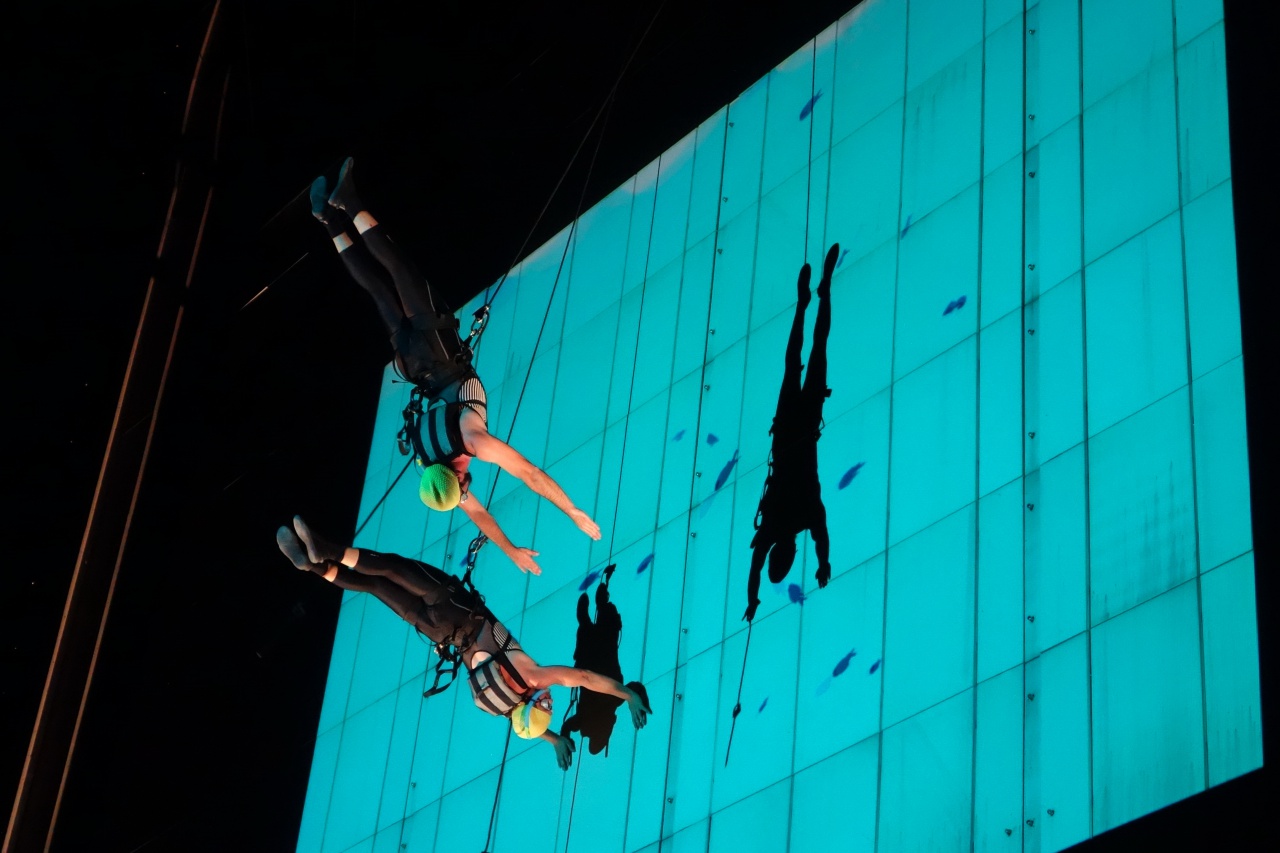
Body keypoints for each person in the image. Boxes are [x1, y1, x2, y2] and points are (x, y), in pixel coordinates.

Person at [310, 156, 601, 575]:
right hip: (411, 362)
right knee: (377, 290)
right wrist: (511, 550)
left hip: (437, 351)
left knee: (398, 271)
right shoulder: (427, 463)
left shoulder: (472, 440)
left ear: (460, 478)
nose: (470, 488)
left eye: (466, 486)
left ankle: (349, 202)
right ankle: (328, 219)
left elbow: (529, 474)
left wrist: (571, 510)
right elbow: (480, 516)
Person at [277, 516, 650, 768]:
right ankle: (314, 568)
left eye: (546, 704)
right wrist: (552, 740)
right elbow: (519, 724)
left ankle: (325, 549)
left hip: (457, 609)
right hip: (436, 632)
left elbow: (583, 676)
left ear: (536, 698)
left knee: (392, 567)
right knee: (375, 588)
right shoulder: (500, 706)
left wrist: (628, 695)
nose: (550, 699)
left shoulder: (533, 676)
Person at [744, 243, 838, 622]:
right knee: (798, 358)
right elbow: (754, 569)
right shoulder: (773, 528)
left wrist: (823, 564)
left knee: (815, 351)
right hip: (787, 429)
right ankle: (806, 302)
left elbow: (822, 539)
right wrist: (752, 599)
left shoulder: (800, 519)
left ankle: (820, 294)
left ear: (790, 555)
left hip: (799, 426)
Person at [558, 565, 649, 756]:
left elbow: (635, 687)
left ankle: (592, 607)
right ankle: (596, 603)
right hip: (598, 658)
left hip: (595, 658)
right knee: (594, 625)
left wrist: (638, 701)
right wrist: (640, 703)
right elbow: (635, 687)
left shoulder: (600, 711)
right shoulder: (594, 715)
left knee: (591, 627)